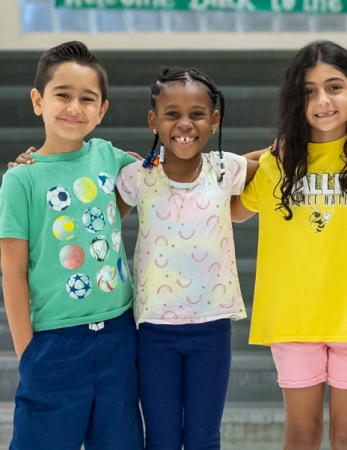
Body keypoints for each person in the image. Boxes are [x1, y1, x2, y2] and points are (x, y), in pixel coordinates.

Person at [229, 40, 347, 450]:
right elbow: (235, 209)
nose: (322, 100)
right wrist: (267, 152)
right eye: (308, 91)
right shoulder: (280, 160)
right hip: (292, 317)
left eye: (334, 86)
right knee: (301, 434)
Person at [0, 41, 143, 450]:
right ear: (37, 101)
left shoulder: (107, 156)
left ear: (102, 111)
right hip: (54, 344)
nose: (74, 108)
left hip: (118, 336)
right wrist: (28, 352)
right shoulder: (20, 180)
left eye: (87, 99)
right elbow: (12, 272)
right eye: (62, 95)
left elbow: (134, 188)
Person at [115, 67, 257, 449]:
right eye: (172, 113)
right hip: (153, 330)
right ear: (153, 120)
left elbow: (275, 161)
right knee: (160, 437)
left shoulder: (226, 169)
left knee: (203, 437)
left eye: (197, 113)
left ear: (214, 120)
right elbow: (99, 216)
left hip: (211, 329)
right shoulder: (136, 177)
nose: (184, 124)